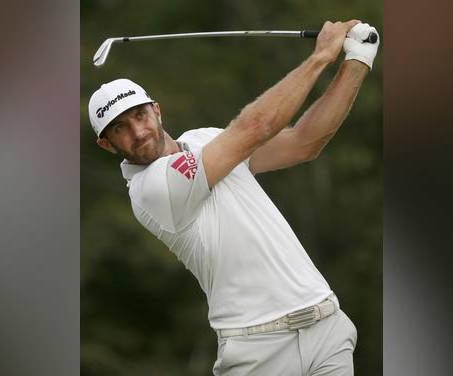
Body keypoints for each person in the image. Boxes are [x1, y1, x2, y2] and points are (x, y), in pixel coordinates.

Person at [88, 20, 379, 376]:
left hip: (325, 325)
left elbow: (304, 142)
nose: (138, 131)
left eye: (140, 115)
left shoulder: (203, 139)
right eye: (120, 128)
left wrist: (357, 60)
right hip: (258, 351)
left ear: (156, 110)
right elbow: (255, 127)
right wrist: (320, 57)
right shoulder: (150, 190)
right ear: (106, 144)